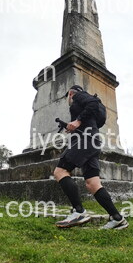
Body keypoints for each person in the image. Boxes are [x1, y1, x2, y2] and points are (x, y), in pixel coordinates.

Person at [53, 85, 128, 230]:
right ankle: (117, 218)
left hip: (85, 140)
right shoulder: (84, 106)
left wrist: (78, 121)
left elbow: (93, 103)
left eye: (68, 97)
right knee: (92, 184)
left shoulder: (79, 96)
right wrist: (74, 126)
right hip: (92, 141)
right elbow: (90, 118)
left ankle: (79, 212)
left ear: (70, 94)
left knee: (60, 172)